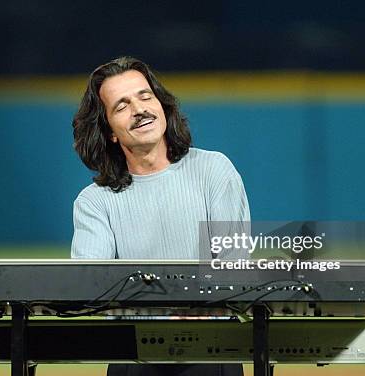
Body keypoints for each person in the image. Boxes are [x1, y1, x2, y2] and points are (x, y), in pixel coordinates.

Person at [71, 56, 249, 376]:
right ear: (110, 131)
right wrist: (163, 313)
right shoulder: (94, 202)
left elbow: (232, 268)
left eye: (145, 96)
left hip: (211, 352)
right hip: (134, 356)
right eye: (121, 106)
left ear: (162, 106)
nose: (139, 109)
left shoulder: (214, 170)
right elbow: (93, 289)